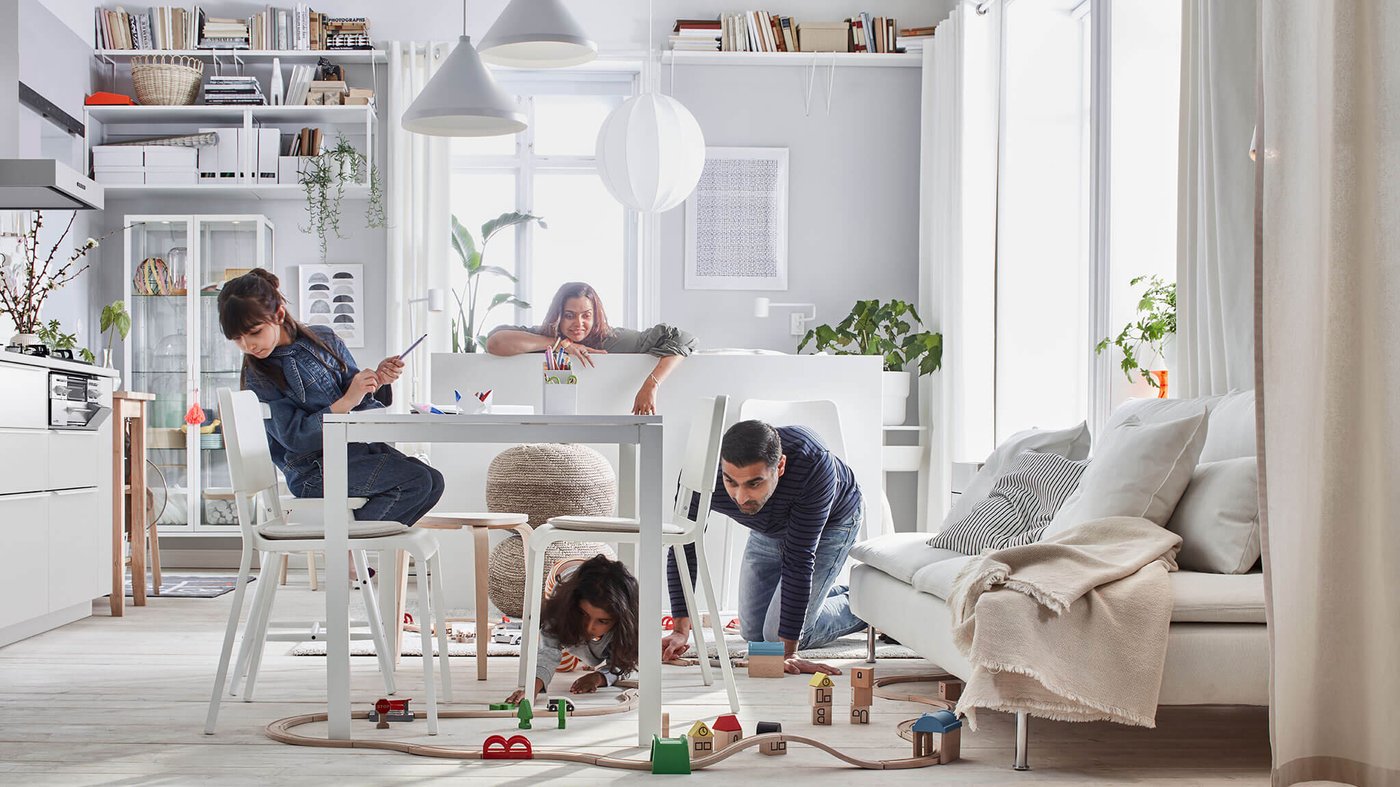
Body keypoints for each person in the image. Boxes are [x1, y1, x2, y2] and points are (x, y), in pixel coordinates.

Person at [217, 270, 444, 530]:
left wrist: (377, 380)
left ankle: (345, 543)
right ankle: (342, 547)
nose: (248, 346)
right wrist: (347, 401)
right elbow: (295, 438)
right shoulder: (259, 375)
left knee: (434, 480)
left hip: (353, 454)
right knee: (417, 481)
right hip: (313, 472)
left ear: (278, 315)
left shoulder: (324, 338)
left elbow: (356, 396)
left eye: (254, 333)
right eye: (237, 339)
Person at [662, 420, 867, 676]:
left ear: (779, 466)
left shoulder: (814, 465)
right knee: (753, 634)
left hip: (830, 524)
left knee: (775, 639)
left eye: (754, 483)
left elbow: (799, 560)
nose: (740, 497)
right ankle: (829, 596)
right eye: (731, 482)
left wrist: (789, 652)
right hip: (767, 528)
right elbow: (684, 545)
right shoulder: (700, 471)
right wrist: (681, 630)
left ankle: (871, 605)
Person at [485, 281, 697, 415]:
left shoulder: (612, 339)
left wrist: (651, 385)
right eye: (569, 315)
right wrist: (561, 344)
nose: (578, 323)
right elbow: (495, 342)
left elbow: (684, 339)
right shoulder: (543, 336)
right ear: (557, 316)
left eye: (586, 315)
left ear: (595, 316)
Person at [505, 555, 639, 704]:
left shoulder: (627, 623)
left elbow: (623, 666)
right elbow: (548, 652)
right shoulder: (563, 607)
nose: (590, 627)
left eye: (603, 621)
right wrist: (531, 690)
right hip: (562, 577)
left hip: (595, 580)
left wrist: (599, 677)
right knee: (564, 665)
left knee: (587, 655)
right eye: (584, 614)